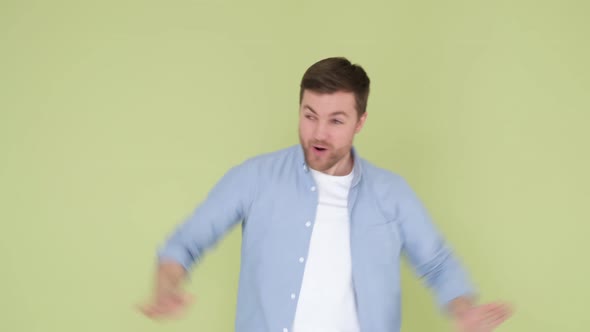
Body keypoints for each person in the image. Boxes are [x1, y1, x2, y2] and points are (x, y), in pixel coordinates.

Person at [139, 57, 513, 332]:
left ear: (360, 122)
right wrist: (167, 285)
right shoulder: (253, 178)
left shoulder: (391, 193)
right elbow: (184, 244)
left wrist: (464, 309)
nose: (319, 133)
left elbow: (437, 263)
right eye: (309, 115)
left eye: (336, 120)